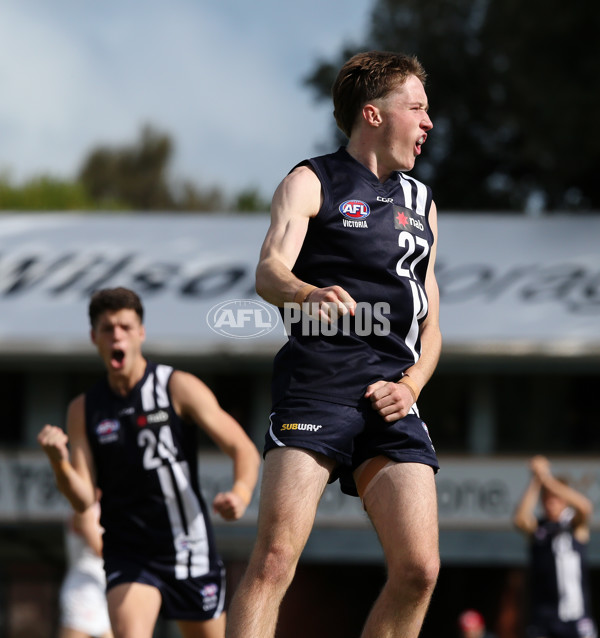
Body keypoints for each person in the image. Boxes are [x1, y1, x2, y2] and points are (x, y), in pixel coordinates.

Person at [226, 50, 442, 638]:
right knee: (274, 560)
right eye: (417, 108)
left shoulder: (422, 205)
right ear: (373, 114)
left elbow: (431, 325)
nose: (429, 123)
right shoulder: (309, 180)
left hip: (393, 395)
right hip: (317, 385)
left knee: (420, 569)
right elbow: (268, 270)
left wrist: (412, 384)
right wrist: (304, 294)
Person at [38, 287, 261, 638]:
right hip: (128, 550)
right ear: (94, 337)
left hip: (188, 545)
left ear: (141, 333)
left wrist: (241, 492)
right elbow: (82, 499)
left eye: (126, 327)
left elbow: (242, 447)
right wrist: (59, 462)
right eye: (108, 328)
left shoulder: (177, 386)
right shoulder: (84, 409)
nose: (117, 336)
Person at [513, 455, 597, 638]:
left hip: (575, 617)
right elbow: (520, 519)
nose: (551, 503)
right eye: (547, 498)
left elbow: (585, 507)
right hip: (543, 617)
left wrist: (547, 478)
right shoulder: (539, 528)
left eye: (556, 498)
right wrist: (536, 480)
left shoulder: (575, 525)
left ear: (565, 500)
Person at [58, 498, 113, 638]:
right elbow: (100, 549)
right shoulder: (83, 508)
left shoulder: (107, 506)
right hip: (82, 592)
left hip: (103, 589)